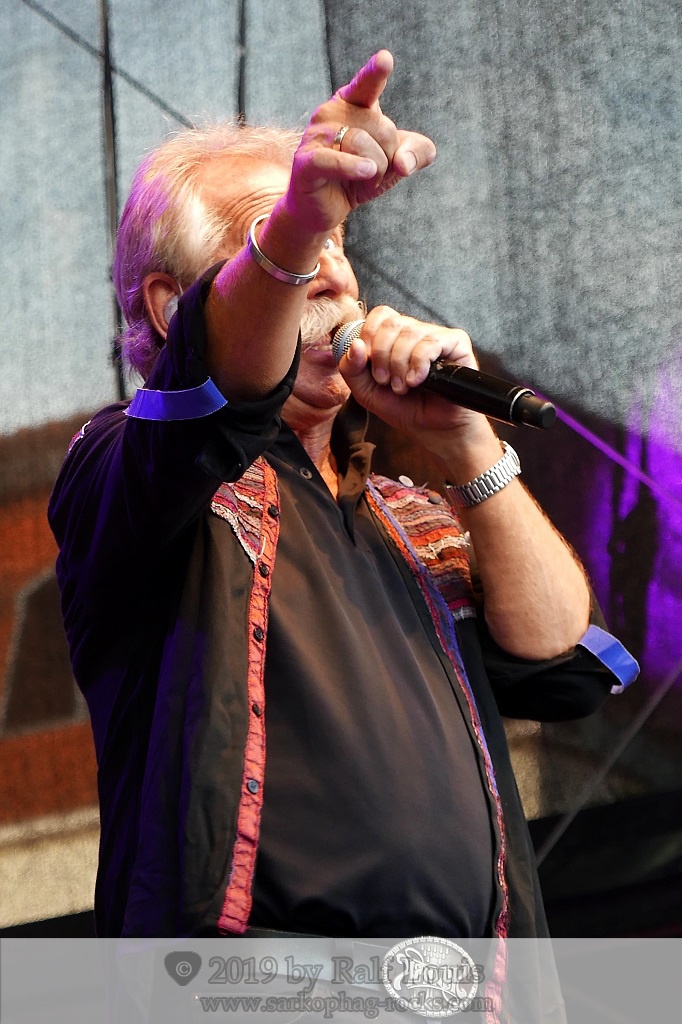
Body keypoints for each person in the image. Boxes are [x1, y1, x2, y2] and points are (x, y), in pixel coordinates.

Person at [48, 50, 636, 943]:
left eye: (336, 244)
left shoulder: (406, 511)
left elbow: (559, 664)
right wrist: (301, 216)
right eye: (284, 242)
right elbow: (217, 393)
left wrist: (467, 443)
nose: (331, 273)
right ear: (172, 308)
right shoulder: (128, 469)